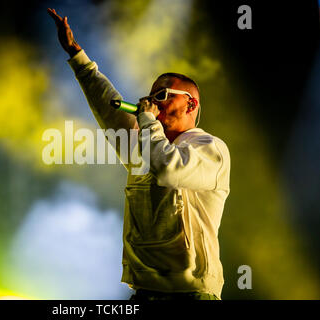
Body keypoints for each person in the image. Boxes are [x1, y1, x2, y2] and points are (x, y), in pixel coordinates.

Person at [47, 8, 230, 301]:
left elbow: (169, 169)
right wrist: (77, 55)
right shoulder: (144, 144)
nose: (151, 102)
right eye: (151, 95)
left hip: (191, 294)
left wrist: (146, 122)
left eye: (162, 95)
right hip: (144, 292)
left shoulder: (209, 148)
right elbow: (110, 109)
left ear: (190, 105)